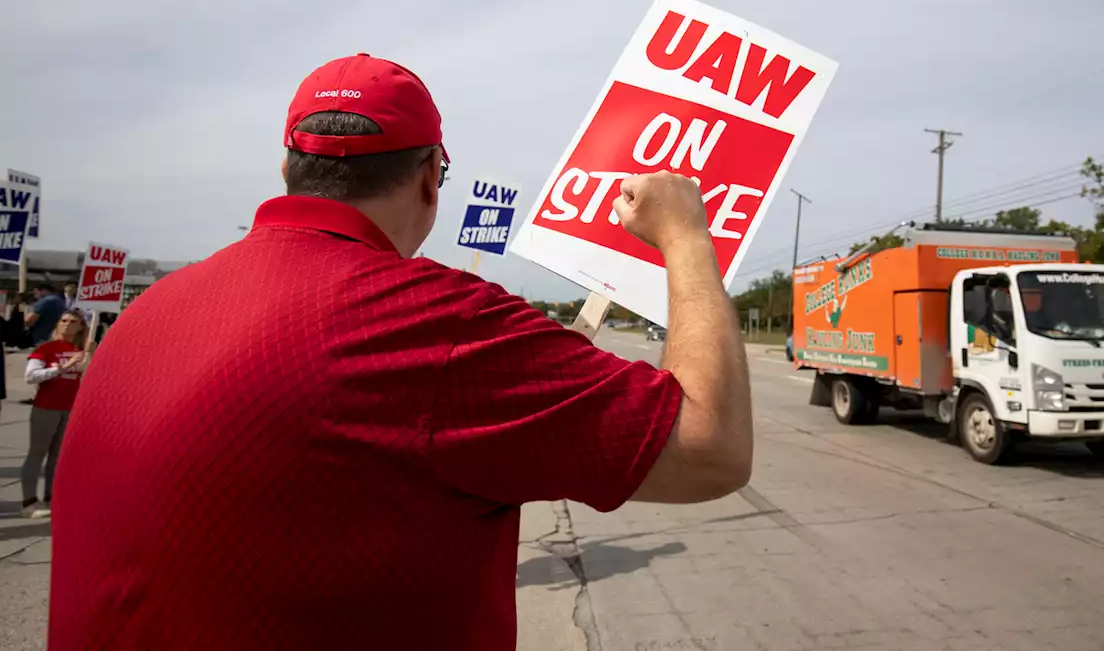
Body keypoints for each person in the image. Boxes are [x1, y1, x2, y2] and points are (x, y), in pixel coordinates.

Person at [50, 53, 752, 650]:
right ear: (428, 178)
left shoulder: (146, 314)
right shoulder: (435, 324)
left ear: (289, 166)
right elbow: (711, 444)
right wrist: (687, 237)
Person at [20, 311, 88, 519]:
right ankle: (29, 501)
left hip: (70, 409)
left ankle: (52, 496)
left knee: (58, 457)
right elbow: (31, 376)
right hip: (46, 408)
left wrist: (91, 358)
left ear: (81, 327)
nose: (67, 325)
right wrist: (62, 367)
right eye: (64, 320)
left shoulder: (82, 350)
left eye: (73, 322)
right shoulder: (46, 348)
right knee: (37, 453)